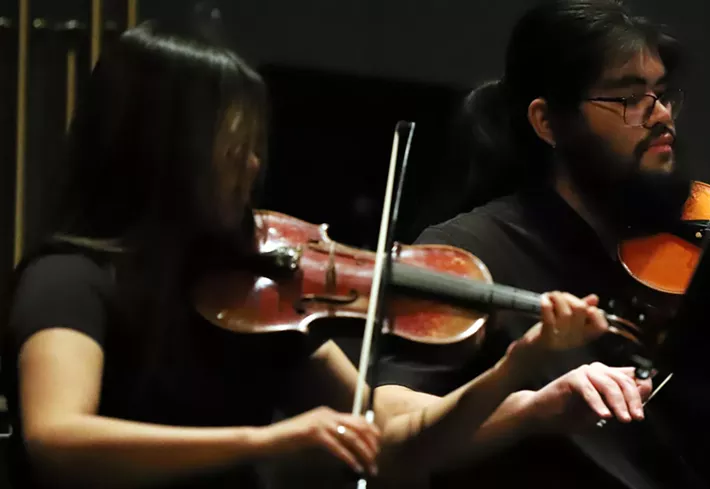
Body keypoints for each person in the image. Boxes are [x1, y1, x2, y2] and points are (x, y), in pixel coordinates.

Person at [0, 22, 614, 489]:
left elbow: (388, 442)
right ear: (165, 153)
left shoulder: (258, 291)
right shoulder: (70, 280)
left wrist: (519, 369)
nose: (254, 166)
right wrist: (263, 440)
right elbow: (57, 437)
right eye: (233, 146)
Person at [375, 1, 710, 489]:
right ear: (547, 122)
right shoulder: (467, 252)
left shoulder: (690, 266)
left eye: (662, 93)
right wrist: (531, 405)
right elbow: (393, 429)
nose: (660, 116)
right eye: (629, 98)